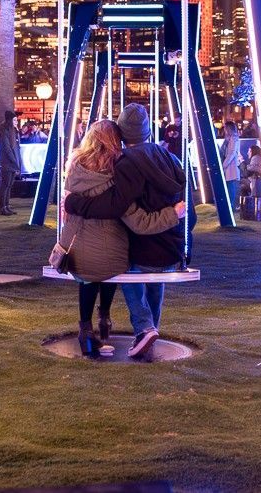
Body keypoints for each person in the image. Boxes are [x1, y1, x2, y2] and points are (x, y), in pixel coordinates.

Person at [61, 119, 185, 358]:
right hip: (109, 253)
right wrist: (173, 214)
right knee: (122, 268)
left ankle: (86, 332)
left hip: (75, 249)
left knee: (90, 278)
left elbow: (71, 206)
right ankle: (120, 321)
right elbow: (136, 219)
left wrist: (72, 203)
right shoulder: (113, 179)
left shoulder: (73, 169)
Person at [111, 104, 191, 359]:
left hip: (142, 248)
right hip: (172, 247)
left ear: (122, 132)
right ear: (146, 131)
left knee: (123, 268)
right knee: (155, 281)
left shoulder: (125, 164)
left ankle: (145, 328)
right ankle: (150, 331)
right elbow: (186, 206)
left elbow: (133, 217)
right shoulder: (171, 158)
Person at [0, 110, 22, 216]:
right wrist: (14, 161)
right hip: (6, 162)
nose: (16, 122)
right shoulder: (4, 131)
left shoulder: (14, 131)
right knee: (5, 185)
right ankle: (2, 208)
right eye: (14, 120)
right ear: (10, 120)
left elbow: (16, 148)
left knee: (9, 185)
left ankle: (7, 206)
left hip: (13, 162)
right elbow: (7, 148)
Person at [220, 120, 242, 209]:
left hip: (230, 165)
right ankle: (229, 206)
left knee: (230, 186)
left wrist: (224, 164)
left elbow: (231, 153)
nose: (224, 130)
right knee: (229, 186)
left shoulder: (234, 138)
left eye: (225, 128)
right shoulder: (230, 138)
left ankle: (231, 206)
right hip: (228, 164)